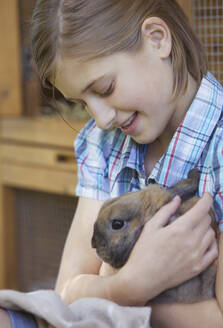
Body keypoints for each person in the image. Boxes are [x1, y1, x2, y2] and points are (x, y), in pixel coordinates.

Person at [1, 0, 222, 327]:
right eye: (81, 103)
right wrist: (131, 285)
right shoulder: (104, 144)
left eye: (105, 88)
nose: (101, 119)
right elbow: (67, 291)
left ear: (157, 39)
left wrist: (105, 288)